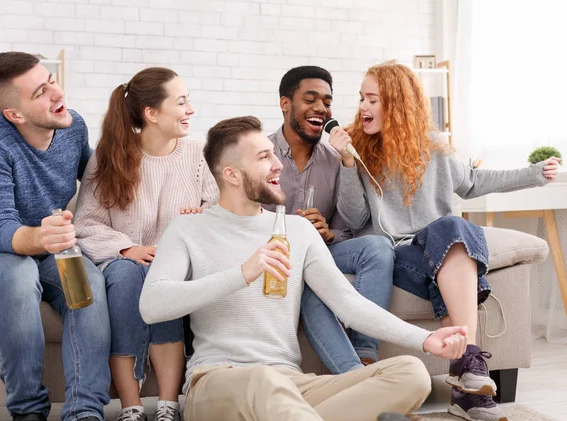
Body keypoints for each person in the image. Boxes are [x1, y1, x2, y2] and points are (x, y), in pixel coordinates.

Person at [138, 115, 471, 421]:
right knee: (263, 381)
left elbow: (348, 304)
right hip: (215, 381)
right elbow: (152, 305)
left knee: (410, 373)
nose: (276, 165)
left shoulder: (296, 231)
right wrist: (243, 273)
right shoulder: (187, 229)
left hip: (292, 383)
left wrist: (426, 339)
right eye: (263, 157)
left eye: (273, 154)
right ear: (231, 174)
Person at [329, 63, 560, 421]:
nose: (361, 106)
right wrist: (347, 162)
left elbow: (473, 182)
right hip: (398, 256)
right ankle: (470, 372)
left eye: (372, 99)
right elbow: (355, 218)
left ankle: (466, 379)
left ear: (397, 104)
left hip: (440, 252)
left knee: (451, 229)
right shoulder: (358, 150)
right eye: (361, 98)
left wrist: (533, 174)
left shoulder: (434, 149)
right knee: (451, 239)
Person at [0, 52, 110, 421]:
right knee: (16, 274)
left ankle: (84, 412)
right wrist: (46, 237)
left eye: (52, 81)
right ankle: (28, 411)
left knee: (89, 281)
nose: (56, 94)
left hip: (45, 243)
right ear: (14, 114)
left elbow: (99, 184)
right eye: (41, 92)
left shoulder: (72, 125)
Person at [74, 67, 219, 421]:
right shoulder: (109, 157)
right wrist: (127, 248)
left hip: (172, 264)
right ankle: (131, 407)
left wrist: (200, 215)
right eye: (181, 102)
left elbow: (220, 209)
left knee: (162, 275)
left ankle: (168, 405)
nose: (191, 110)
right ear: (152, 114)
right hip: (121, 263)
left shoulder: (198, 154)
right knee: (127, 276)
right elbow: (86, 223)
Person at [264, 65, 394, 372]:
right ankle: (354, 376)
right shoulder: (260, 153)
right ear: (286, 104)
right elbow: (236, 219)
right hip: (276, 256)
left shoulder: (335, 161)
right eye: (310, 99)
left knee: (377, 247)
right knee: (311, 284)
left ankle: (365, 355)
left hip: (320, 253)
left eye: (327, 101)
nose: (321, 108)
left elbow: (351, 225)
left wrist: (329, 234)